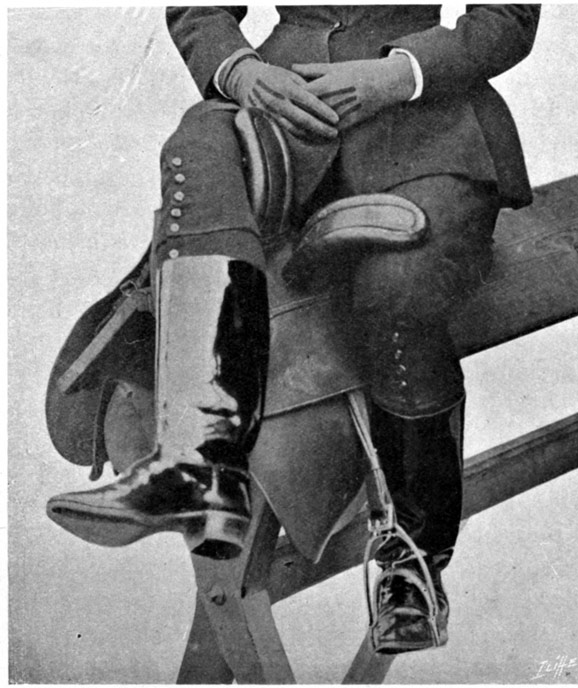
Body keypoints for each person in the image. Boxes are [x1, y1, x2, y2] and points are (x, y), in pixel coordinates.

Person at [46, 5, 541, 654]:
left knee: (397, 292)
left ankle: (413, 559)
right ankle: (199, 464)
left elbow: (507, 16)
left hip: (428, 130)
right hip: (285, 114)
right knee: (200, 144)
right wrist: (240, 71)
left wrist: (400, 73)